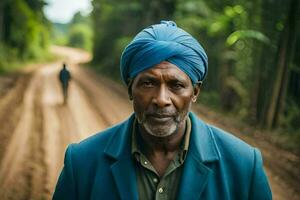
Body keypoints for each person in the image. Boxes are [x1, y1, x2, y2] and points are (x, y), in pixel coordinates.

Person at [53, 21, 272, 199]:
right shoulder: (82, 164)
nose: (161, 99)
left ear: (195, 92)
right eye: (148, 84)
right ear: (130, 89)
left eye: (176, 85)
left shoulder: (243, 166)